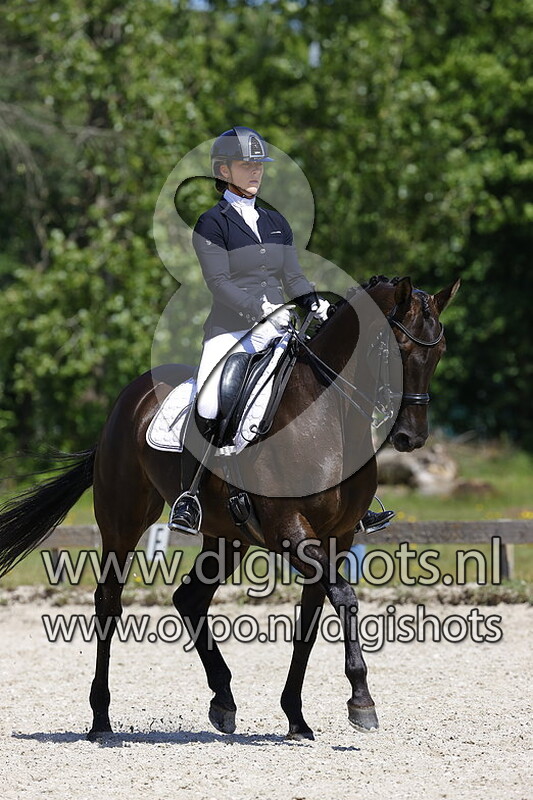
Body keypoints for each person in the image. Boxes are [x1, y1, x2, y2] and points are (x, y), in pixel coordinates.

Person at [168, 126, 394, 535]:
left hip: (280, 328)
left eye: (258, 165)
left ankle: (354, 498)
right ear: (223, 171)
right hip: (231, 332)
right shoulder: (211, 223)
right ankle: (191, 496)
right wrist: (258, 308)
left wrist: (312, 300)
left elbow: (293, 277)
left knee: (327, 391)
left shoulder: (275, 221)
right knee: (209, 402)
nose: (255, 171)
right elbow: (218, 282)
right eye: (246, 165)